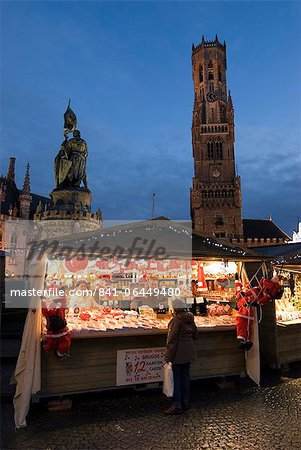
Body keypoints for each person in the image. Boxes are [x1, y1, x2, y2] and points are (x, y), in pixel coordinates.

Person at [164, 298, 198, 415]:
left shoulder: (175, 321)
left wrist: (167, 358)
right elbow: (196, 334)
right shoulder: (190, 319)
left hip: (178, 354)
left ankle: (177, 404)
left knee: (176, 379)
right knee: (185, 378)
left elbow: (171, 341)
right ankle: (186, 402)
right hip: (189, 353)